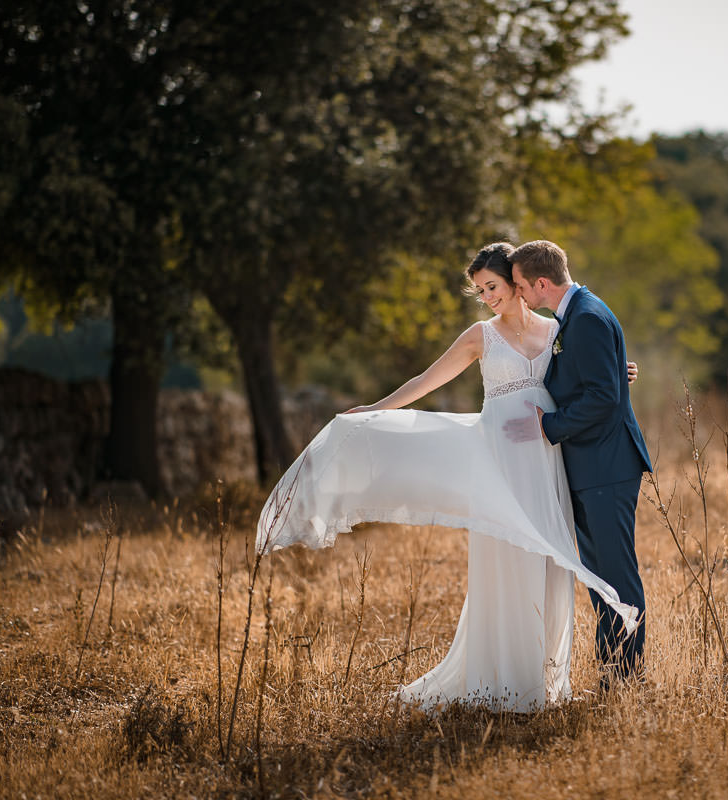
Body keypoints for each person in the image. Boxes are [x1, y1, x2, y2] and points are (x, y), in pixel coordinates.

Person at [255, 242, 639, 712]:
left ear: (519, 283)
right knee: (508, 561)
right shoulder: (481, 335)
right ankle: (504, 682)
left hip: (545, 460)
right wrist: (377, 409)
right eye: (481, 291)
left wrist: (618, 373)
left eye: (493, 286)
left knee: (549, 566)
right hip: (501, 459)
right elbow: (426, 380)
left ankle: (545, 684)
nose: (488, 297)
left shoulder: (556, 328)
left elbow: (581, 377)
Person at [506, 240, 652, 687]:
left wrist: (548, 426)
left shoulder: (586, 317)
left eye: (519, 286)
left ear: (542, 283)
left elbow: (603, 399)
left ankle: (625, 680)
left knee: (616, 577)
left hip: (606, 468)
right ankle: (614, 676)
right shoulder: (580, 313)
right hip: (596, 469)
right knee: (601, 579)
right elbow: (598, 379)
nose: (519, 295)